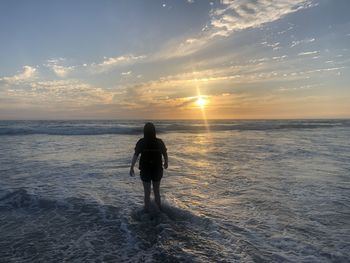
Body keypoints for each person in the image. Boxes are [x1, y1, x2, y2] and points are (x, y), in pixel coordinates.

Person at [130, 122, 168, 212]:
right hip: (157, 169)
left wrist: (131, 167)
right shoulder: (159, 142)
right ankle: (159, 211)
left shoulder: (141, 142)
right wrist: (166, 162)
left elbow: (136, 155)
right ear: (154, 131)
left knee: (147, 193)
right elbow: (165, 153)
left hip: (145, 169)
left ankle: (146, 212)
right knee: (156, 191)